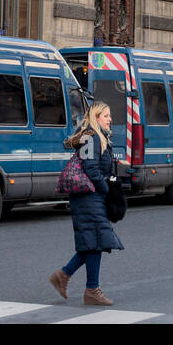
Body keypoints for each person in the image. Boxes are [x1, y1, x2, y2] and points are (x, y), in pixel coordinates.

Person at [49, 102, 123, 307]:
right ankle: (90, 289)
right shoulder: (91, 137)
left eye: (110, 115)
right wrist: (105, 189)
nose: (110, 119)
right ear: (96, 117)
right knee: (96, 241)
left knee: (94, 241)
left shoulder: (99, 137)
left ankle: (65, 277)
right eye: (106, 115)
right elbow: (91, 168)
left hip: (91, 196)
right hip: (88, 196)